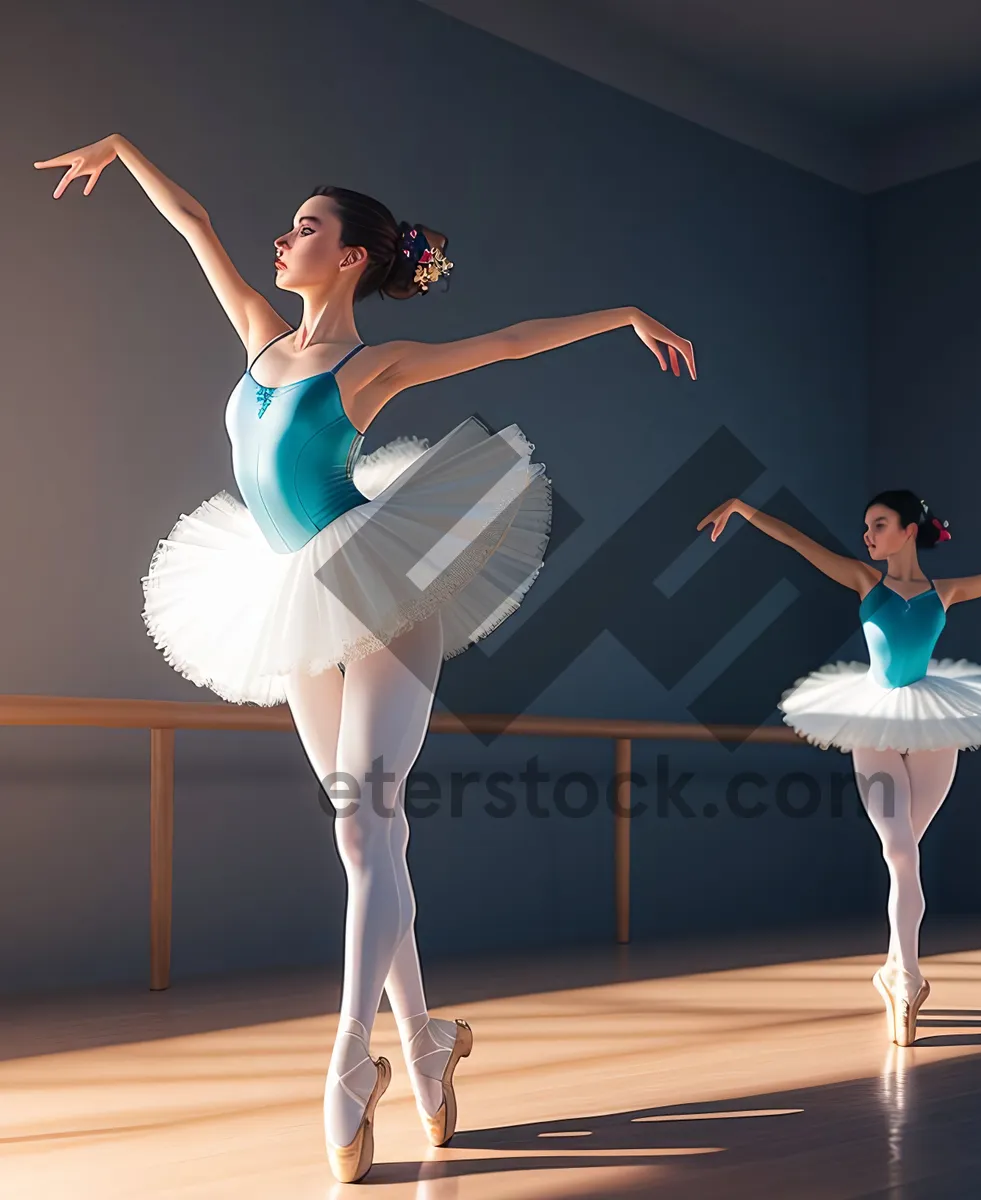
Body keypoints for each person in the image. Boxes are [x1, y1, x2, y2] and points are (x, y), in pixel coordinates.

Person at [36, 133, 696, 1183]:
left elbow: (513, 343)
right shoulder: (258, 335)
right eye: (291, 226)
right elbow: (195, 223)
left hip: (381, 588)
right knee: (364, 844)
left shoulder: (372, 363)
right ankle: (426, 1042)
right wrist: (123, 151)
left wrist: (622, 313)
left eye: (305, 227)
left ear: (350, 258)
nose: (282, 238)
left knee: (364, 820)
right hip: (286, 593)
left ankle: (351, 1061)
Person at [697, 489, 981, 1046]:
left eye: (878, 524)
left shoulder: (944, 592)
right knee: (900, 852)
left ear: (908, 530)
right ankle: (908, 979)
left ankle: (892, 970)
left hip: (933, 723)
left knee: (906, 855)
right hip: (873, 719)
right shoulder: (863, 580)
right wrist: (739, 507)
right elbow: (797, 542)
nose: (868, 536)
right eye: (866, 526)